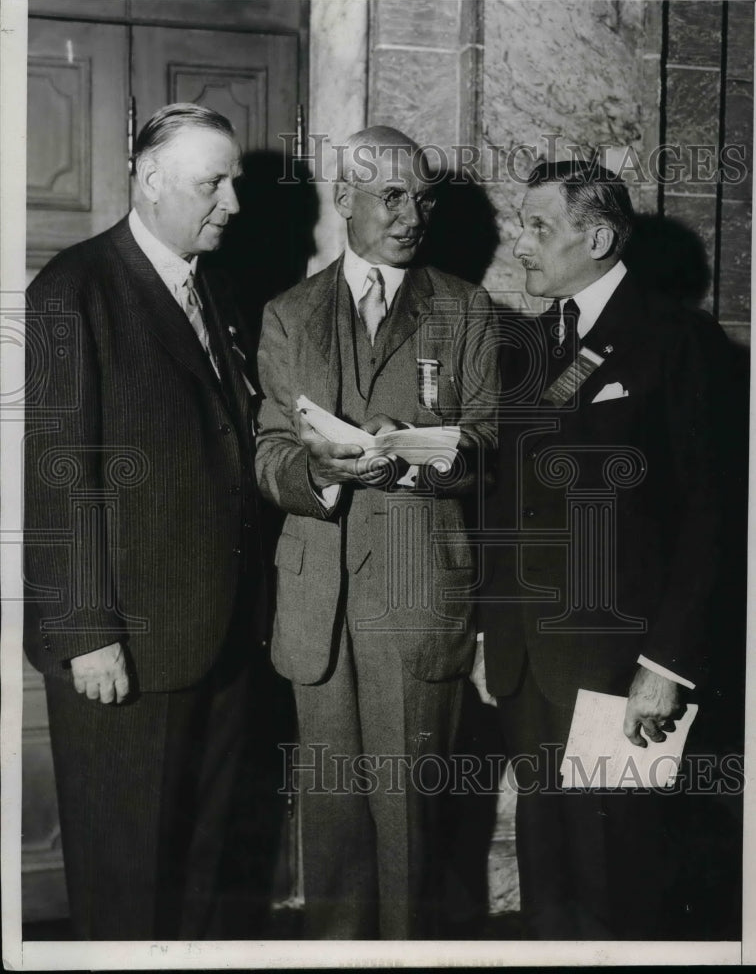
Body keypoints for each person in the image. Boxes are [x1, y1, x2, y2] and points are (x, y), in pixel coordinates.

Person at [24, 103, 262, 940]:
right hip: (123, 643)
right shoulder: (73, 289)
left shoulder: (215, 288)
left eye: (232, 180)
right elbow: (59, 476)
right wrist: (88, 629)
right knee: (127, 885)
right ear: (152, 181)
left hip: (220, 640)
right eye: (213, 183)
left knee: (201, 867)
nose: (232, 202)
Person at [473, 160, 728, 939]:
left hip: (623, 672)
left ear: (600, 236)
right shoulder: (525, 345)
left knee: (621, 879)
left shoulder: (678, 341)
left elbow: (716, 516)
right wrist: (490, 631)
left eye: (539, 228)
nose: (520, 245)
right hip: (525, 666)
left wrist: (668, 663)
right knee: (550, 876)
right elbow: (504, 502)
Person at [255, 125, 499, 939]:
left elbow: (489, 448)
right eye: (392, 197)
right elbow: (269, 453)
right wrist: (321, 471)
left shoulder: (464, 307)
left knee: (411, 822)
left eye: (422, 198)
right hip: (315, 603)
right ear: (346, 197)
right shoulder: (289, 313)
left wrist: (418, 456)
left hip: (416, 592)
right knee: (329, 825)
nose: (411, 216)